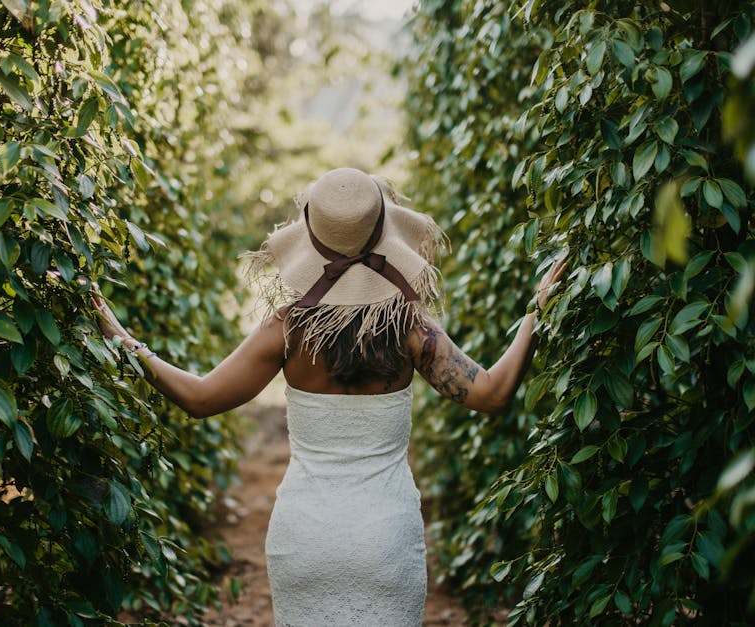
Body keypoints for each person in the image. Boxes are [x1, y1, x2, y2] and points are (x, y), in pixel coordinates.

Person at [92, 167, 567, 626]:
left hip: (305, 537)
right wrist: (535, 312)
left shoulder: (286, 328)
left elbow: (198, 398)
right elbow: (493, 393)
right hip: (385, 538)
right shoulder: (409, 327)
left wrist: (123, 341)